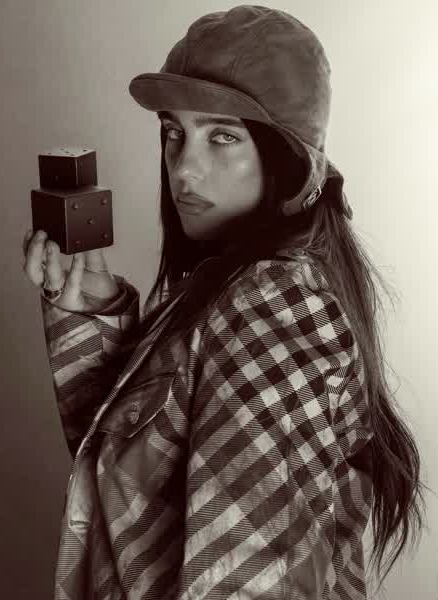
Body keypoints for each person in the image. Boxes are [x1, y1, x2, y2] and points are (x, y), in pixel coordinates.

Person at [22, 5, 426, 599]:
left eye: (223, 136)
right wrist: (93, 313)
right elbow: (125, 500)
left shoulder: (273, 306)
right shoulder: (231, 291)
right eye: (174, 133)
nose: (184, 168)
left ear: (286, 158)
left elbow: (245, 584)